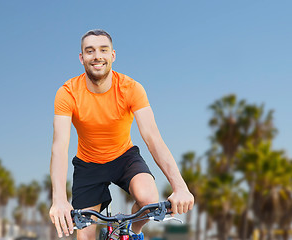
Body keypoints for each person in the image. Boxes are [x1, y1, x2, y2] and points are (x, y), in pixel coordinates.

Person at [49, 29, 194, 240]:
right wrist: (59, 199)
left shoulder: (131, 88)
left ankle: (130, 233)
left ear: (113, 55)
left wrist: (180, 187)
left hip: (124, 157)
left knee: (149, 200)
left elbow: (153, 137)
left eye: (103, 50)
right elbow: (59, 146)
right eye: (90, 51)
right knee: (85, 237)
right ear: (82, 58)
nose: (97, 56)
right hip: (88, 164)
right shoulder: (67, 92)